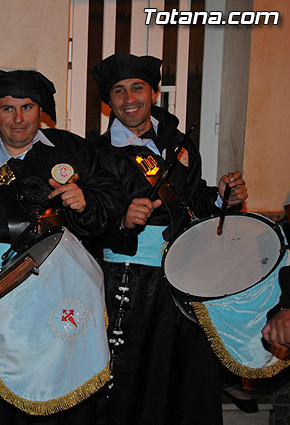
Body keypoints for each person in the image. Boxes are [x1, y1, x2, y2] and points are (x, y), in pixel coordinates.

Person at [0, 69, 125, 425]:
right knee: (0, 400)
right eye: (7, 108)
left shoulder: (74, 150)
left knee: (65, 393)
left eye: (27, 107)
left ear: (40, 110)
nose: (18, 118)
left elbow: (113, 202)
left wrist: (86, 201)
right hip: (0, 299)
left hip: (63, 293)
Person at [90, 52, 248, 425]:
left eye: (138, 88)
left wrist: (220, 198)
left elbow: (195, 205)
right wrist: (123, 222)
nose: (129, 99)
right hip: (129, 278)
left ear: (153, 93)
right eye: (118, 91)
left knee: (184, 379)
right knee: (128, 379)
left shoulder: (179, 146)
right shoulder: (98, 152)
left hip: (185, 276)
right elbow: (89, 221)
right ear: (108, 101)